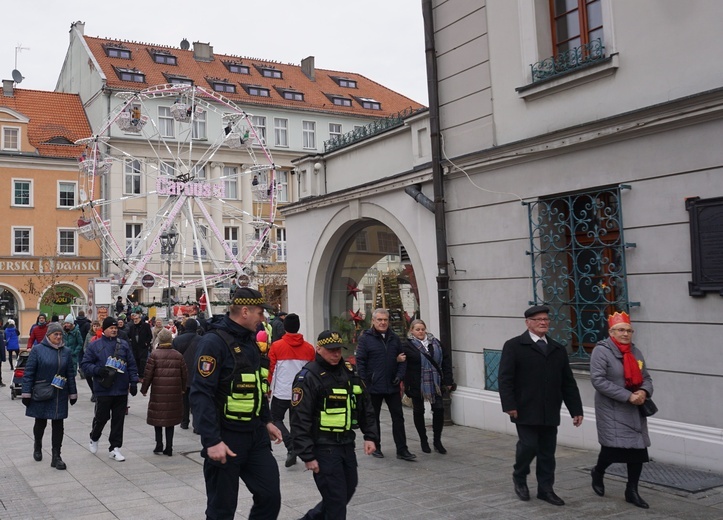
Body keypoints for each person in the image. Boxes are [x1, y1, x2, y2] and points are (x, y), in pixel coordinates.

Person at [189, 287, 283, 520]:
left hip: (255, 436)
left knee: (270, 496)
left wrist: (267, 420)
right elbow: (201, 393)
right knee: (222, 509)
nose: (263, 319)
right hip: (226, 437)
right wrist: (212, 440)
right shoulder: (213, 343)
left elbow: (257, 387)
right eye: (260, 313)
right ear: (244, 312)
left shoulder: (250, 341)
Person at [499, 305, 584, 506]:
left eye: (546, 319)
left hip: (550, 409)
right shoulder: (514, 346)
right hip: (524, 408)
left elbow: (568, 382)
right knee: (528, 445)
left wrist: (576, 409)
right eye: (538, 320)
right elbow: (505, 378)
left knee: (547, 451)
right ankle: (519, 476)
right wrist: (509, 404)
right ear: (528, 323)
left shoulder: (557, 349)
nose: (543, 322)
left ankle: (546, 489)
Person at [290, 330, 379, 520]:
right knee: (336, 500)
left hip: (346, 444)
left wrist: (370, 435)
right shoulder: (308, 376)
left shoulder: (348, 372)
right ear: (318, 349)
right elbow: (299, 419)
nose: (336, 354)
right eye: (331, 350)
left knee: (347, 489)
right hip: (323, 448)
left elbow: (365, 405)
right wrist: (306, 454)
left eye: (338, 349)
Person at [590, 312, 654, 509]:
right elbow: (598, 380)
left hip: (635, 409)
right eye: (621, 330)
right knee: (611, 450)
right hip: (612, 409)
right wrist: (627, 396)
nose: (625, 334)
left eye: (629, 330)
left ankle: (631, 491)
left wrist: (643, 391)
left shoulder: (635, 352)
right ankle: (598, 472)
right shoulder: (601, 351)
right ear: (611, 332)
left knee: (638, 451)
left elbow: (647, 378)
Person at [355, 308, 415, 461]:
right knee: (373, 418)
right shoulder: (365, 339)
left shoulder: (394, 338)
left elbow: (402, 359)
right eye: (379, 320)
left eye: (385, 320)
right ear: (373, 321)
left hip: (392, 384)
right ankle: (376, 446)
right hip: (373, 386)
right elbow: (360, 362)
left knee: (398, 418)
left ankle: (402, 450)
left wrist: (399, 376)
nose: (382, 322)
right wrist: (365, 381)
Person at [81, 316, 139, 462]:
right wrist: (97, 370)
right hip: (103, 388)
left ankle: (115, 448)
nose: (114, 330)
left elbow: (131, 364)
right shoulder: (95, 345)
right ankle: (94, 437)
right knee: (102, 417)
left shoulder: (124, 345)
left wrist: (133, 382)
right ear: (104, 329)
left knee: (118, 420)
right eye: (111, 328)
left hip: (120, 388)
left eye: (115, 328)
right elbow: (85, 364)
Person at [20, 322, 78, 470]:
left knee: (58, 424)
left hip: (59, 392)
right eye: (55, 334)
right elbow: (29, 373)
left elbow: (70, 374)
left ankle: (56, 456)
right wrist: (26, 393)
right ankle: (38, 445)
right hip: (42, 392)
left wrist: (73, 393)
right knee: (41, 422)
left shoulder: (66, 351)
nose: (58, 337)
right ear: (48, 336)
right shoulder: (38, 350)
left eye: (60, 334)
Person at [267, 313, 315, 467]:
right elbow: (312, 372)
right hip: (301, 393)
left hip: (281, 391)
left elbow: (271, 369)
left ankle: (290, 446)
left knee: (276, 419)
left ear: (284, 327)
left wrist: (268, 387)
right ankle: (302, 450)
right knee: (298, 423)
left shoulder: (276, 346)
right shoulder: (309, 348)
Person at [402, 319, 455, 454]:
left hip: (436, 383)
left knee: (439, 410)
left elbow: (446, 361)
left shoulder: (436, 343)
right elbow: (403, 366)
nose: (420, 332)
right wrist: (405, 384)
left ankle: (437, 441)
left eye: (422, 329)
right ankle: (423, 440)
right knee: (419, 411)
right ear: (411, 331)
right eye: (417, 329)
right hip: (416, 383)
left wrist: (448, 381)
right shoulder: (407, 345)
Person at [141, 328, 188, 456]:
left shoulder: (154, 355)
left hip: (158, 391)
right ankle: (169, 447)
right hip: (174, 391)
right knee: (170, 420)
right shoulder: (178, 355)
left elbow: (148, 374)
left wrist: (144, 389)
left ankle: (159, 444)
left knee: (158, 418)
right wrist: (183, 388)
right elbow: (184, 375)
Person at [172, 318, 201, 429]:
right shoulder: (202, 340)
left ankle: (184, 422)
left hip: (183, 374)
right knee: (197, 400)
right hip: (197, 373)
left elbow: (174, 359)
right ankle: (197, 425)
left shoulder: (177, 340)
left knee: (184, 400)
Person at [128, 312, 153, 380]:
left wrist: (146, 343)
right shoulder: (132, 327)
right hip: (135, 347)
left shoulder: (146, 325)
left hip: (143, 347)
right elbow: (129, 336)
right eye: (134, 319)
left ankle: (142, 376)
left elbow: (150, 336)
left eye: (136, 319)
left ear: (140, 319)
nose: (135, 320)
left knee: (143, 362)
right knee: (136, 361)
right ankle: (138, 375)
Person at [81, 320, 101, 401]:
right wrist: (88, 354)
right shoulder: (89, 335)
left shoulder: (101, 335)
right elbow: (85, 346)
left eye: (97, 326)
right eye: (94, 326)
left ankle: (97, 393)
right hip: (90, 358)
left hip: (98, 359)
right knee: (88, 375)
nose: (96, 328)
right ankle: (93, 391)